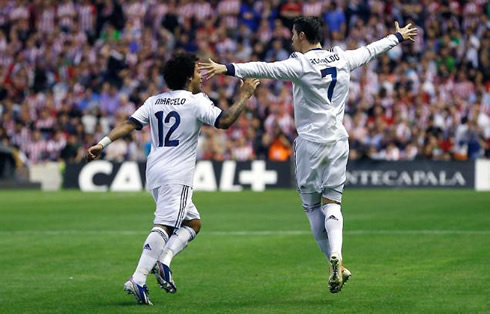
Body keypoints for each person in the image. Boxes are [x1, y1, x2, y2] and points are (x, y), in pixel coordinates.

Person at [201, 16, 417, 293]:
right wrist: (396, 37)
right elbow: (371, 50)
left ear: (302, 36)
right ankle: (337, 256)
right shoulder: (342, 58)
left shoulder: (299, 64)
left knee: (312, 207)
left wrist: (226, 68)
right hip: (338, 140)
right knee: (333, 202)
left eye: (293, 34)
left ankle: (332, 260)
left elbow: (264, 69)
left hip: (310, 143)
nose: (291, 39)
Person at [87, 52, 260, 305]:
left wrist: (102, 144)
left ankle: (164, 260)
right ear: (189, 77)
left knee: (193, 222)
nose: (202, 77)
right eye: (198, 72)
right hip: (176, 174)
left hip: (155, 170)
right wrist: (244, 95)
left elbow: (129, 123)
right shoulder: (196, 101)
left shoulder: (154, 101)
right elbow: (224, 121)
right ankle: (138, 278)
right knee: (165, 225)